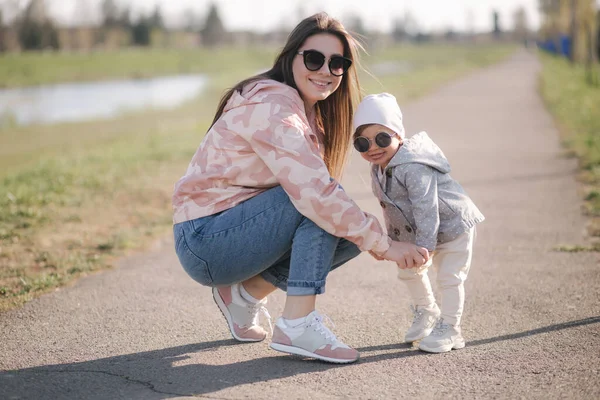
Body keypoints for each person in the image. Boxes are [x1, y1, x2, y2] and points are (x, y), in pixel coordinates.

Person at [172, 13, 429, 364]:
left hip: (229, 232)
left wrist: (372, 237)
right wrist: (385, 246)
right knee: (319, 204)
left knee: (348, 231)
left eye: (337, 63)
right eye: (314, 59)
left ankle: (244, 296)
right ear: (291, 57)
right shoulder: (274, 107)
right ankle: (297, 324)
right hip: (205, 237)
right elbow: (314, 195)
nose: (325, 70)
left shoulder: (306, 113)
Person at [352, 93, 485, 353]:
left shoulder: (412, 166)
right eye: (362, 143)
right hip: (423, 228)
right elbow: (390, 208)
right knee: (408, 269)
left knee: (449, 278)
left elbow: (426, 206)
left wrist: (425, 246)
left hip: (453, 226)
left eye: (382, 138)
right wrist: (390, 244)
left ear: (399, 136)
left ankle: (451, 329)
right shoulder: (379, 166)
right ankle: (427, 310)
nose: (373, 147)